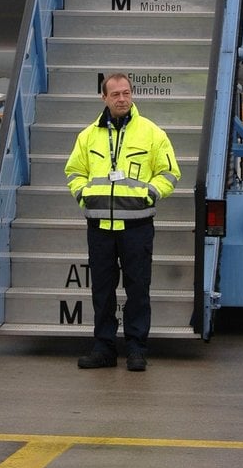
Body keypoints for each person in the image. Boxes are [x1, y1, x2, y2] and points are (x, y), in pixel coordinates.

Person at [64, 72, 180, 372]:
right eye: (115, 94)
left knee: (138, 290)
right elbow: (74, 172)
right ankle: (103, 348)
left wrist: (150, 194)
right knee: (102, 292)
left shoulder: (152, 132)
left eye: (126, 93)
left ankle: (136, 349)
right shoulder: (88, 136)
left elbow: (170, 172)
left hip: (137, 227)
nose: (122, 99)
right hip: (100, 228)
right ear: (104, 97)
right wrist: (84, 196)